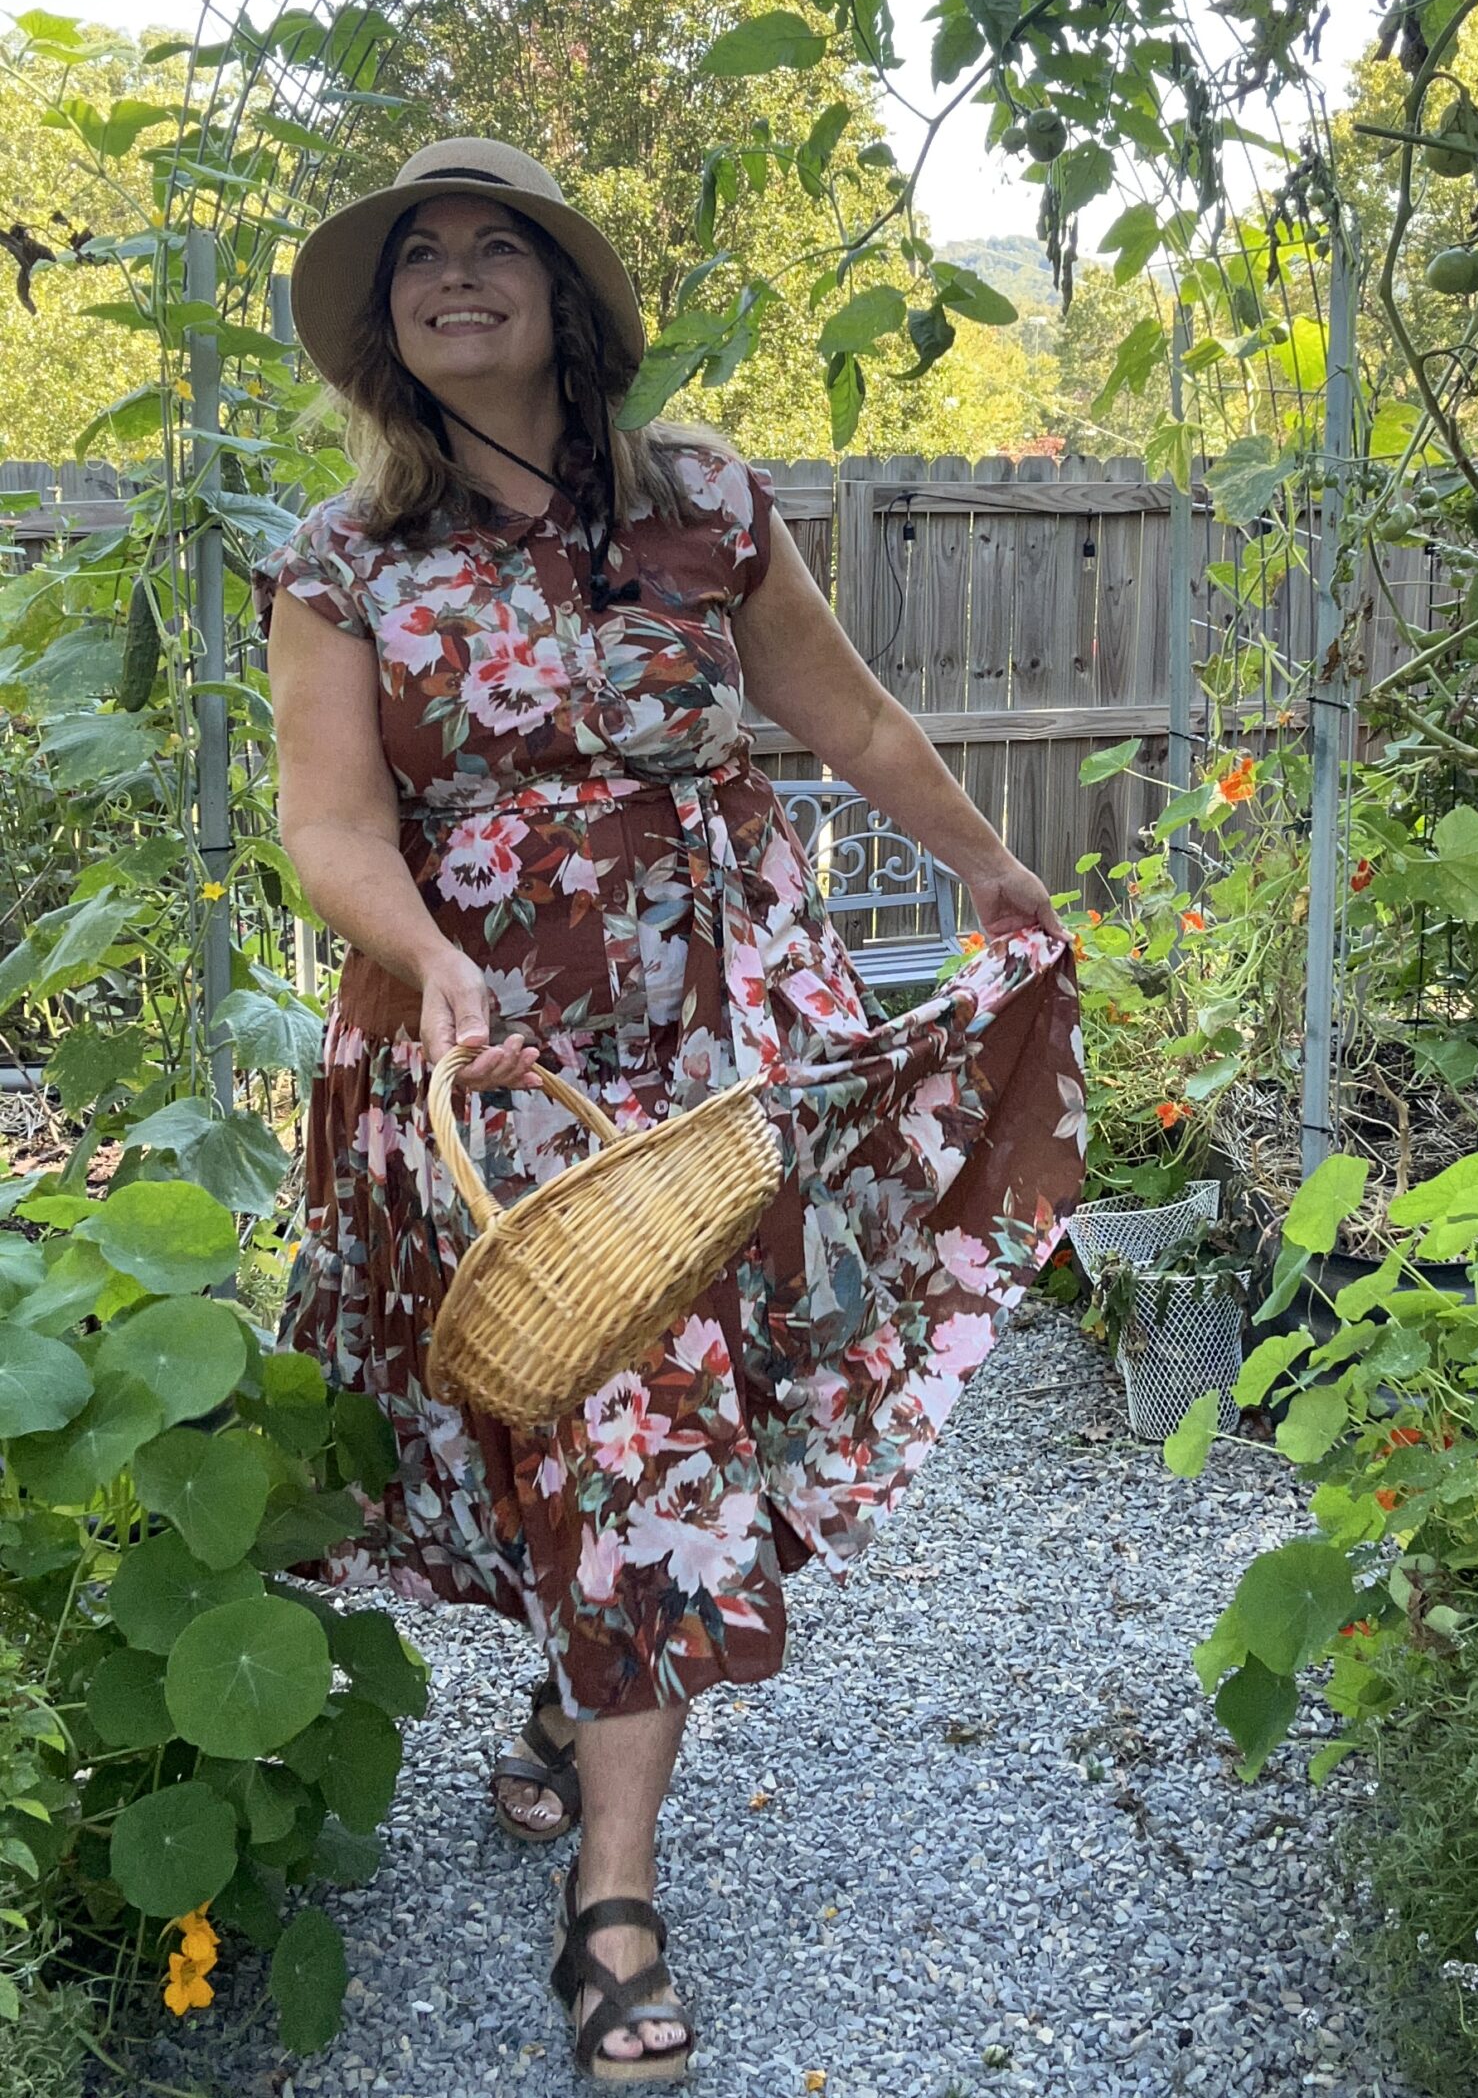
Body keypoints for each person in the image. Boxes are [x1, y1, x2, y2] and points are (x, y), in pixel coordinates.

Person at [254, 137, 1086, 2082]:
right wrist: (432, 953)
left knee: (658, 1413)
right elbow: (331, 821)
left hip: (709, 1027)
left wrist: (987, 870)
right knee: (564, 1405)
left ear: (566, 296)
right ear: (384, 329)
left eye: (494, 247)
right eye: (417, 259)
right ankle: (589, 1689)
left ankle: (608, 1888)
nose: (454, 275)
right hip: (489, 1053)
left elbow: (849, 716)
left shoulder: (704, 501)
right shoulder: (344, 560)